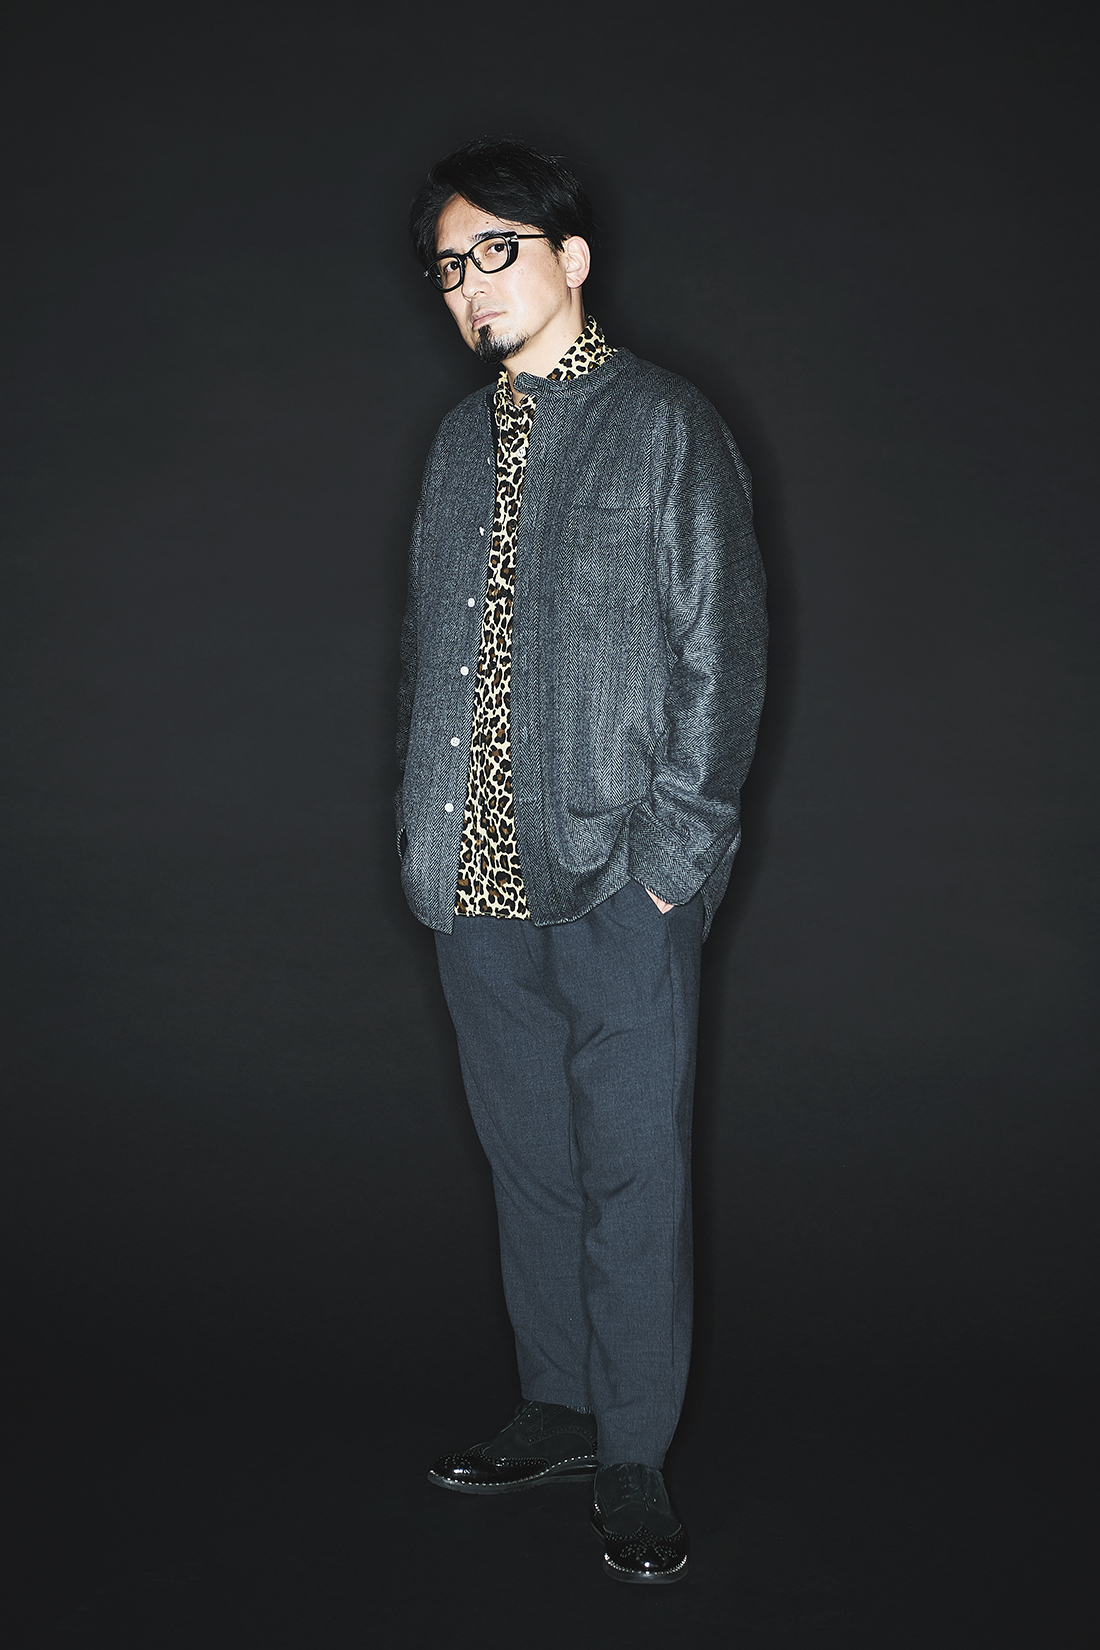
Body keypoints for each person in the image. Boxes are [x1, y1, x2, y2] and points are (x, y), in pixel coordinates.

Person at [396, 136, 767, 1584]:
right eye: (449, 266)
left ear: (573, 258)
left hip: (618, 875)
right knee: (529, 1160)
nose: (471, 285)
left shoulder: (665, 425)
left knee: (628, 1168)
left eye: (497, 250)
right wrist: (427, 831)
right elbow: (435, 661)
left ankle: (632, 1454)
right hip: (470, 876)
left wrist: (670, 858)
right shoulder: (453, 446)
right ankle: (556, 1405)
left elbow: (722, 656)